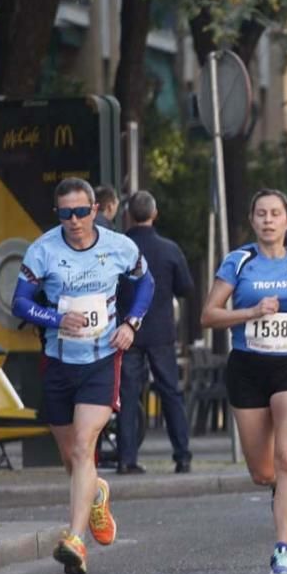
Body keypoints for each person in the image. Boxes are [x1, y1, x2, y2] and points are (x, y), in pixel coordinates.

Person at [12, 177, 154, 574]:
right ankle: (97, 492)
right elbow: (20, 303)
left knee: (82, 446)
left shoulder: (119, 246)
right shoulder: (43, 250)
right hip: (58, 362)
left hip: (101, 359)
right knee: (70, 458)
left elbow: (146, 281)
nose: (73, 220)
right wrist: (56, 318)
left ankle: (74, 539)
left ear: (95, 210)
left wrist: (131, 324)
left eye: (80, 212)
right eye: (64, 213)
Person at [200, 189, 287, 574]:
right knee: (262, 471)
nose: (269, 220)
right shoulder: (239, 262)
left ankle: (282, 552)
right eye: (261, 214)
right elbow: (208, 315)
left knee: (286, 458)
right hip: (249, 368)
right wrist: (251, 311)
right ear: (253, 220)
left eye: (276, 214)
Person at [116, 191, 195, 474]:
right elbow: (186, 288)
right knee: (171, 393)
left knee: (127, 393)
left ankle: (126, 458)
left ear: (128, 215)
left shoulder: (119, 248)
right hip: (161, 331)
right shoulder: (169, 249)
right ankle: (182, 455)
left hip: (127, 331)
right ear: (155, 213)